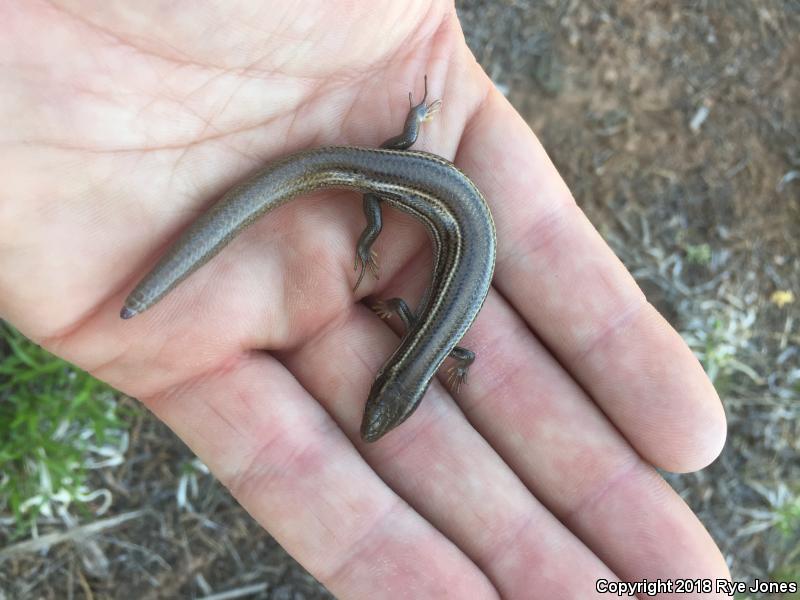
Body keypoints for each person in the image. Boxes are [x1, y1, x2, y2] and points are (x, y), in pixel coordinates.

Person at [0, 2, 730, 597]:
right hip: (413, 185)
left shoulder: (436, 344)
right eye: (382, 404)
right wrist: (377, 226)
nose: (375, 412)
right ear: (393, 384)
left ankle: (384, 160)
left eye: (378, 408)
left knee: (373, 195)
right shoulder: (417, 333)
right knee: (371, 201)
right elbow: (431, 334)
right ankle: (377, 169)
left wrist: (399, 187)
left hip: (412, 183)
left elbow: (458, 350)